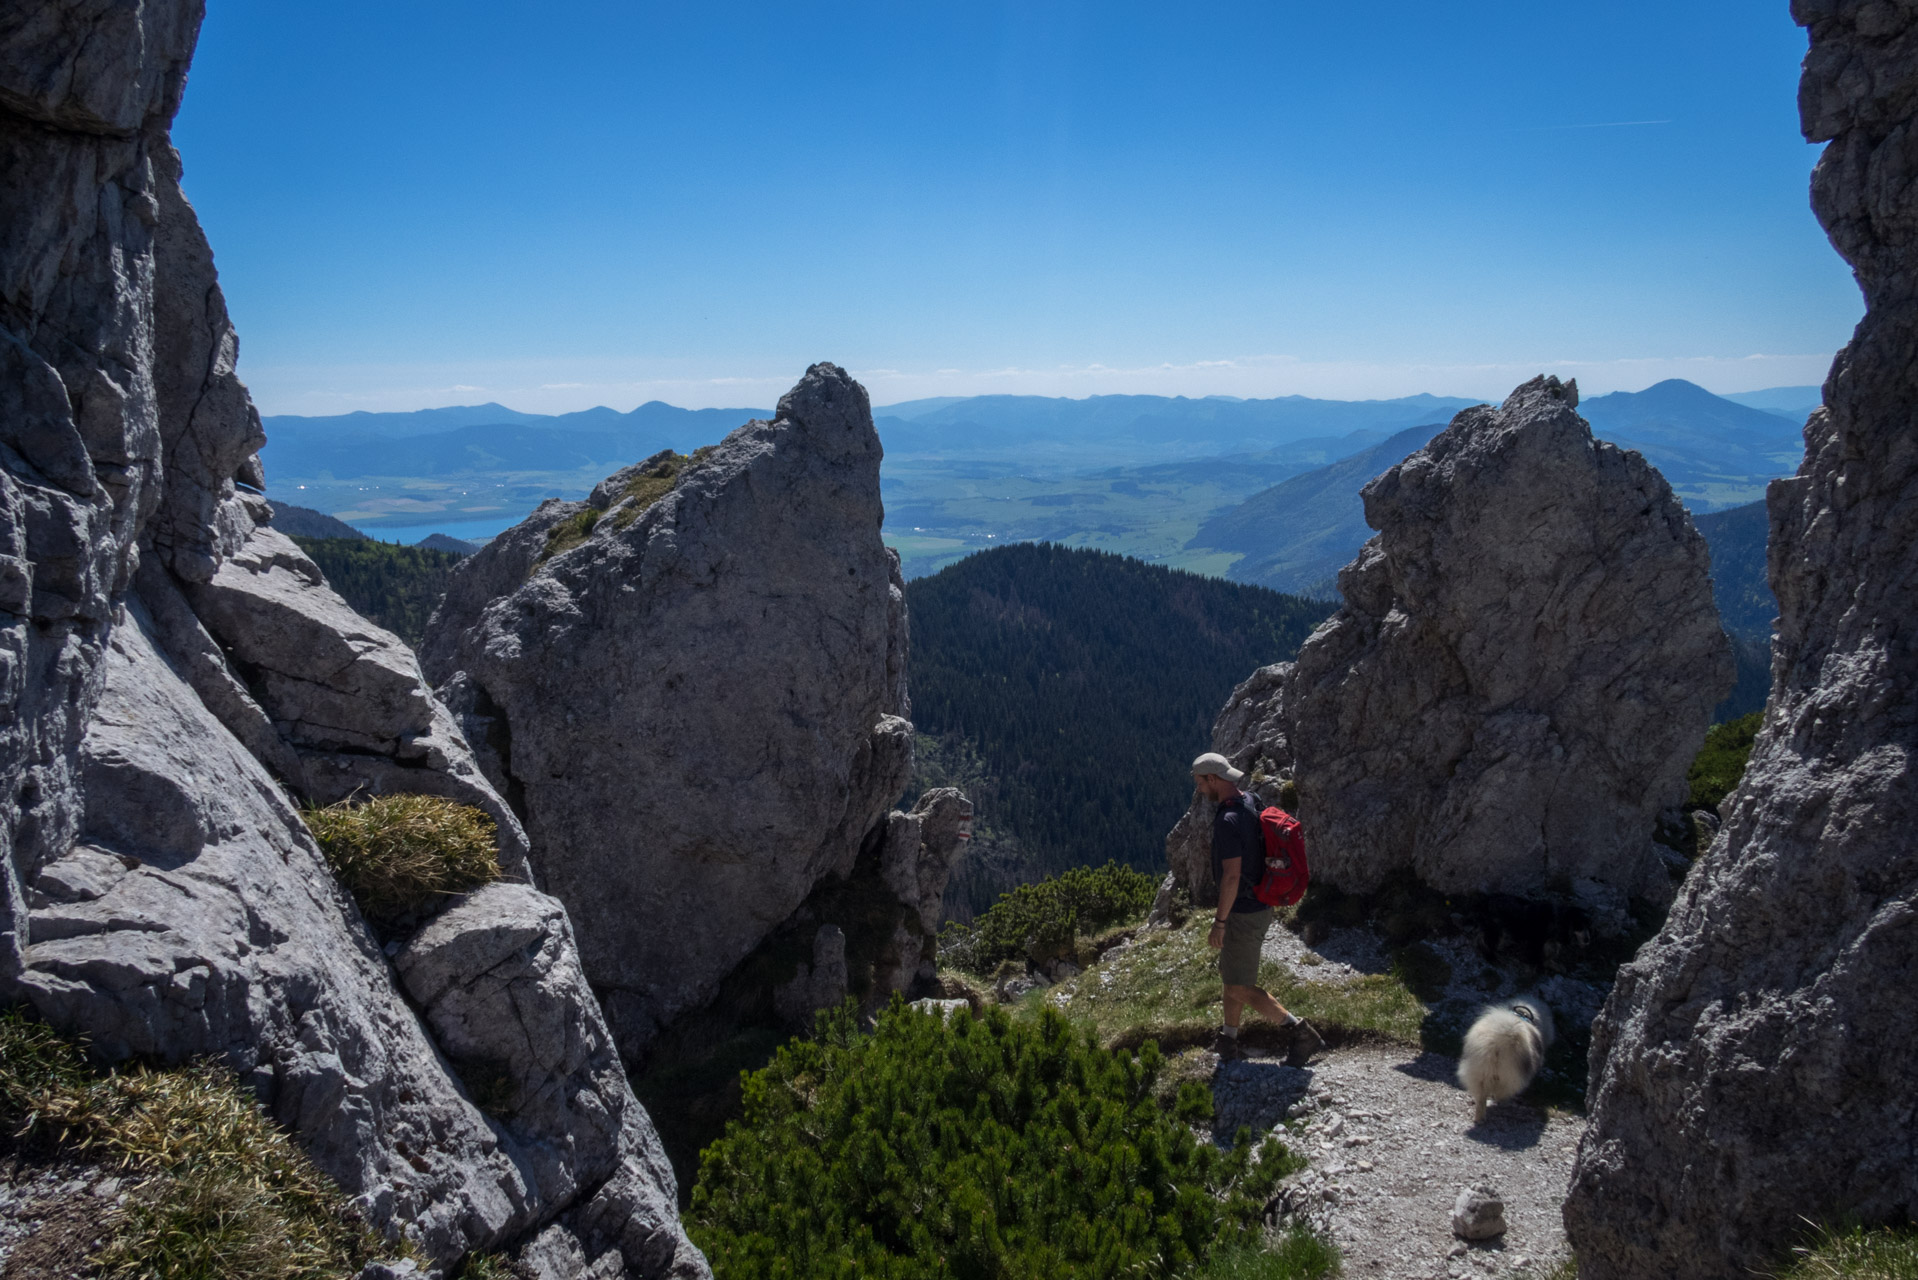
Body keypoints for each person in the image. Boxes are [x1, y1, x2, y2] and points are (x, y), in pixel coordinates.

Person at [1192, 752, 1325, 1065]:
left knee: (1239, 986)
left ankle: (1300, 1032)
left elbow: (1232, 876)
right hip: (1261, 901)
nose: (1199, 789)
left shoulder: (1227, 820)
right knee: (1232, 976)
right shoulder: (1250, 800)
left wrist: (1220, 922)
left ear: (1213, 779)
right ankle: (1228, 1039)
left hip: (1244, 911)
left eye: (1200, 783)